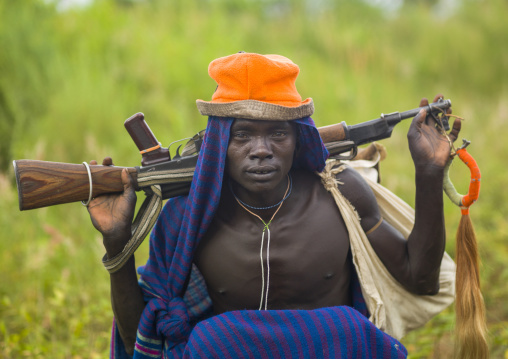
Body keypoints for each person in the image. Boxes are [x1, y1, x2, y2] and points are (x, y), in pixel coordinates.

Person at [87, 53, 460, 358]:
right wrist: (117, 243)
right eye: (242, 135)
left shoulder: (341, 193)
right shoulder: (187, 217)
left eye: (278, 134)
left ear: (299, 139)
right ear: (219, 144)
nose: (261, 151)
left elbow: (420, 279)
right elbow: (141, 334)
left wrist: (428, 174)